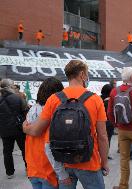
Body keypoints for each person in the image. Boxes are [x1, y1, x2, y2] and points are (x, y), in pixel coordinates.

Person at [23, 60, 109, 189]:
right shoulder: (95, 99)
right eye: (87, 74)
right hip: (89, 161)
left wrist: (25, 127)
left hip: (63, 161)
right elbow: (102, 136)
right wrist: (105, 162)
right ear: (82, 74)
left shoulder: (54, 99)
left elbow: (37, 130)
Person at [25, 77, 64, 189]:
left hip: (33, 167)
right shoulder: (54, 112)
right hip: (48, 169)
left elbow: (28, 129)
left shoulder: (32, 110)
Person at [0, 79, 27, 179]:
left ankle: (9, 173)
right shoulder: (18, 98)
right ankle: (28, 169)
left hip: (4, 130)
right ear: (10, 87)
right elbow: (25, 111)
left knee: (7, 152)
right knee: (24, 149)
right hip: (18, 128)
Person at [101, 84, 115, 160]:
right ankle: (105, 154)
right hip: (109, 122)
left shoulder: (99, 98)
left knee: (101, 138)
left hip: (101, 122)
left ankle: (102, 154)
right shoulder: (110, 100)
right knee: (108, 139)